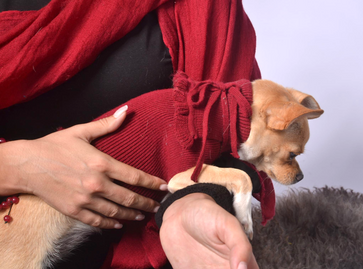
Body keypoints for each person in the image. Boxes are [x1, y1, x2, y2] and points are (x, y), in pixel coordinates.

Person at [0, 0, 266, 268]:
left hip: (153, 244)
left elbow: (227, 127)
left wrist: (193, 201)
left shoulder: (206, 7)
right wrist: (20, 165)